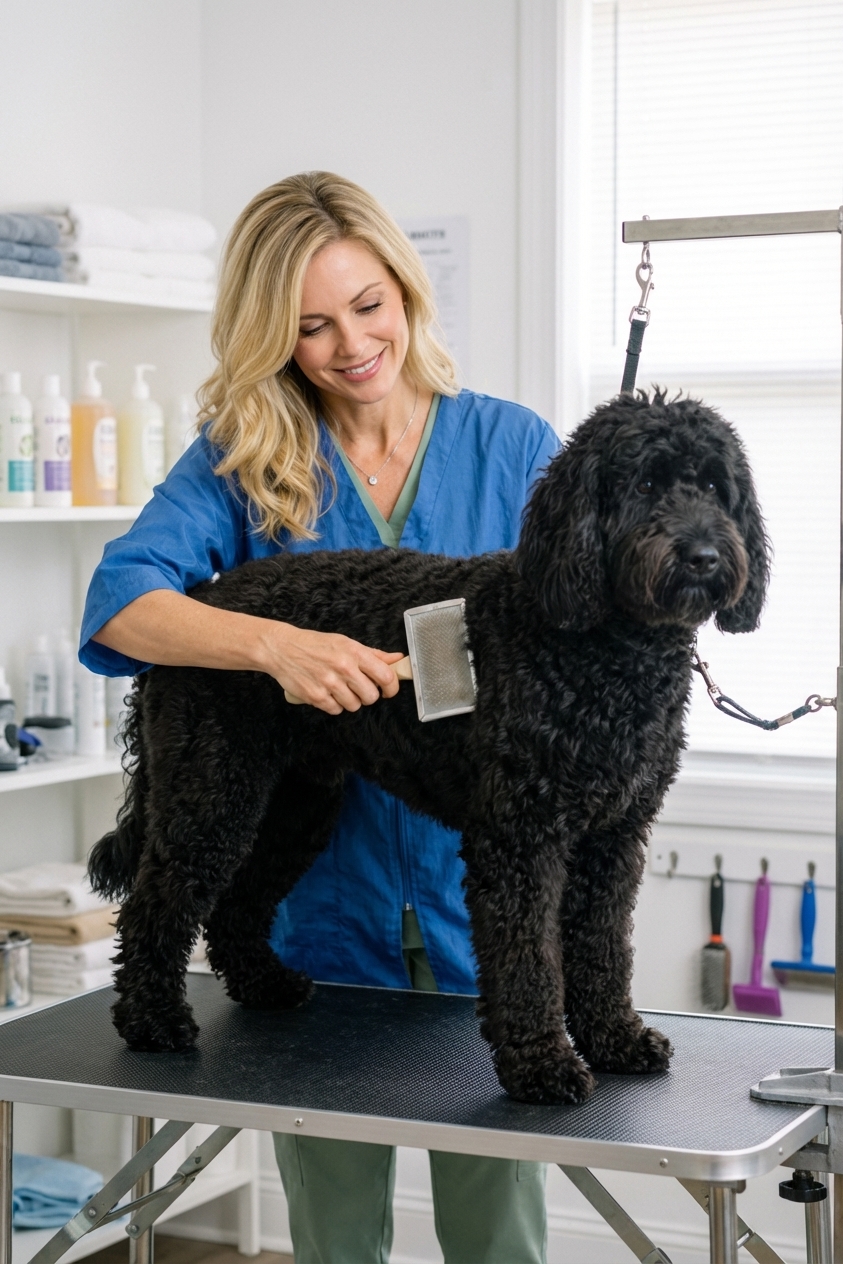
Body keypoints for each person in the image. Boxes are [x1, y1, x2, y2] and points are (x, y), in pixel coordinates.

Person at [81, 171, 559, 1264]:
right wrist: (274, 646)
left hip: (479, 913)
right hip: (322, 931)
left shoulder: (513, 447)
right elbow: (123, 597)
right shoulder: (246, 457)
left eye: (368, 305)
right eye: (310, 325)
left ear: (406, 290)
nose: (351, 344)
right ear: (272, 335)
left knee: (503, 1244)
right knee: (337, 1242)